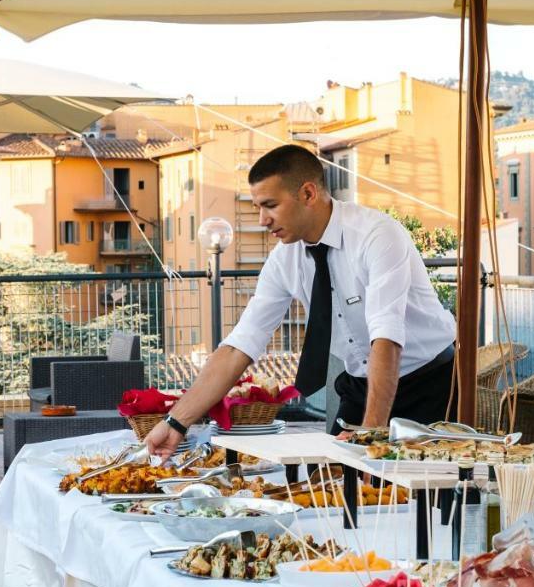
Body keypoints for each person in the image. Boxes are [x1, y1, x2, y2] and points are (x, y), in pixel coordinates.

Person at [145, 144, 458, 458]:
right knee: (332, 487)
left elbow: (386, 339)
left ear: (308, 194)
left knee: (416, 495)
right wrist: (175, 423)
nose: (262, 220)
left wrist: (371, 434)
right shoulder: (284, 259)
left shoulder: (376, 235)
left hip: (430, 384)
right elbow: (238, 347)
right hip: (360, 385)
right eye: (257, 207)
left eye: (270, 205)